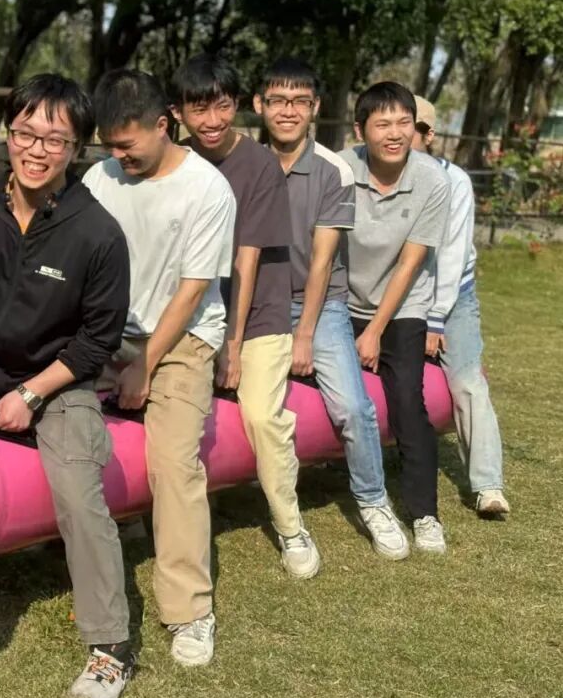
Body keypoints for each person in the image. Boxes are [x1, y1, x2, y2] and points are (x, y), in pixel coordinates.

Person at [0, 73, 134, 698]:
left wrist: (32, 394)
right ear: (8, 134)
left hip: (62, 381)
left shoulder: (98, 233)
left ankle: (110, 647)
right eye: (24, 134)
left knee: (79, 496)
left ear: (76, 148)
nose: (36, 150)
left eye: (54, 140)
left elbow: (97, 341)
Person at [84, 68, 235, 666]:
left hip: (183, 338)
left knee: (174, 464)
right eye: (110, 147)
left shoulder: (208, 190)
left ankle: (190, 611)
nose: (118, 158)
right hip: (107, 333)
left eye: (128, 146)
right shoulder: (99, 178)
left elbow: (194, 290)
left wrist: (145, 363)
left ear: (164, 125)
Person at [170, 54, 320, 578]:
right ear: (177, 112)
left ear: (238, 105)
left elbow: (246, 260)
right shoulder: (174, 160)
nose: (212, 121)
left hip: (256, 314)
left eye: (222, 107)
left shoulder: (258, 166)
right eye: (199, 110)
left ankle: (290, 525)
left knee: (259, 414)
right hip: (189, 308)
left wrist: (231, 345)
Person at [255, 57, 411, 560]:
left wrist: (304, 335)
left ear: (315, 108)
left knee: (353, 408)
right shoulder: (245, 163)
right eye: (278, 100)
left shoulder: (333, 170)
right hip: (258, 304)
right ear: (260, 105)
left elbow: (322, 262)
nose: (288, 111)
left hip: (317, 305)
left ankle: (373, 501)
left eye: (300, 102)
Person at [340, 81, 450, 554]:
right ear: (360, 130)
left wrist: (375, 331)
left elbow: (410, 263)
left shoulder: (432, 180)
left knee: (407, 398)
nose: (395, 133)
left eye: (404, 122)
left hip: (402, 305)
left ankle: (424, 514)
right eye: (382, 123)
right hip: (341, 299)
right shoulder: (340, 169)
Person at [412, 95, 509, 517]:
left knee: (468, 381)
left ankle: (487, 485)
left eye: (411, 128)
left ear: (429, 135)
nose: (398, 135)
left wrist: (436, 319)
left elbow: (451, 256)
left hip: (450, 297)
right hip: (395, 295)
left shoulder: (455, 182)